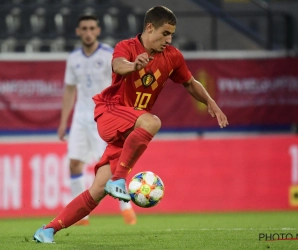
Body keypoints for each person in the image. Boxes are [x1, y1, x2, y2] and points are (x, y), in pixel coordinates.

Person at [33, 6, 229, 243]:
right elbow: (118, 65)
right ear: (149, 28)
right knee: (152, 121)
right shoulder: (127, 47)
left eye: (171, 35)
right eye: (165, 33)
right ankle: (119, 179)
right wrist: (135, 66)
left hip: (129, 129)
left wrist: (211, 102)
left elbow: (190, 82)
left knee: (96, 191)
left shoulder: (173, 56)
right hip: (111, 112)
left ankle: (47, 230)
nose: (169, 39)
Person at [57, 14, 136, 226]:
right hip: (82, 118)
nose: (88, 32)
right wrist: (64, 122)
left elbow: (123, 84)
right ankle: (82, 216)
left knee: (113, 164)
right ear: (78, 31)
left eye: (92, 28)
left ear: (98, 30)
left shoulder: (110, 55)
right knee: (74, 164)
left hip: (105, 116)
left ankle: (126, 209)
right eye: (84, 28)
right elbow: (69, 90)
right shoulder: (73, 58)